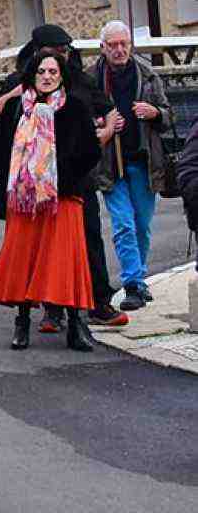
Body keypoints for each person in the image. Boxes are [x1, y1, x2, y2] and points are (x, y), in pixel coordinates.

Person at [0, 25, 125, 329]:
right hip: (32, 185)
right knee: (38, 247)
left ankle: (98, 302)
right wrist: (21, 90)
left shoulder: (78, 80)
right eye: (56, 51)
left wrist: (102, 136)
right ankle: (51, 311)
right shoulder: (20, 85)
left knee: (86, 241)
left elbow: (110, 109)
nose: (62, 58)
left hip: (74, 180)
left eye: (65, 52)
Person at [0, 51, 103, 351]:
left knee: (67, 262)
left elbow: (90, 151)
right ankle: (22, 323)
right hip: (25, 201)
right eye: (41, 71)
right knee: (26, 259)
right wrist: (19, 176)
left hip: (63, 196)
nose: (47, 76)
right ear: (32, 75)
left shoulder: (74, 108)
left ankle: (76, 325)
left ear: (62, 75)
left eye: (53, 71)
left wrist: (58, 179)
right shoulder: (16, 108)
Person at [88, 21, 172, 312]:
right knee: (123, 224)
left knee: (142, 225)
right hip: (110, 167)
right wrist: (101, 123)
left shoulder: (148, 76)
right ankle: (133, 283)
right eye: (113, 45)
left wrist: (154, 113)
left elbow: (168, 116)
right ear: (103, 48)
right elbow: (81, 119)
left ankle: (139, 278)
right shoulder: (91, 80)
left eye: (123, 43)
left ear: (130, 45)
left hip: (144, 163)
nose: (119, 49)